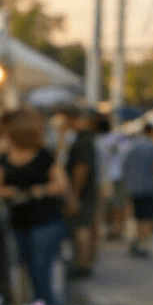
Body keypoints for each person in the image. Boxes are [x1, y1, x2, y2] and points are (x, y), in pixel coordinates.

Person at [0, 108, 70, 305]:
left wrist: (40, 190)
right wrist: (10, 192)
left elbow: (62, 184)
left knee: (40, 273)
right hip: (19, 222)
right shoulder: (4, 156)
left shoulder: (43, 156)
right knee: (25, 271)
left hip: (45, 221)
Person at [65, 109, 104, 279]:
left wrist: (73, 194)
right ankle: (84, 262)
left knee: (82, 228)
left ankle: (83, 264)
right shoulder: (86, 140)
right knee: (86, 227)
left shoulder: (84, 142)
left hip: (83, 193)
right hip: (87, 191)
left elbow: (81, 169)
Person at [121, 126, 153, 258]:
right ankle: (142, 244)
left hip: (132, 187)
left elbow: (124, 166)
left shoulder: (130, 147)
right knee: (146, 217)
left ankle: (135, 240)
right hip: (148, 188)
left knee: (135, 216)